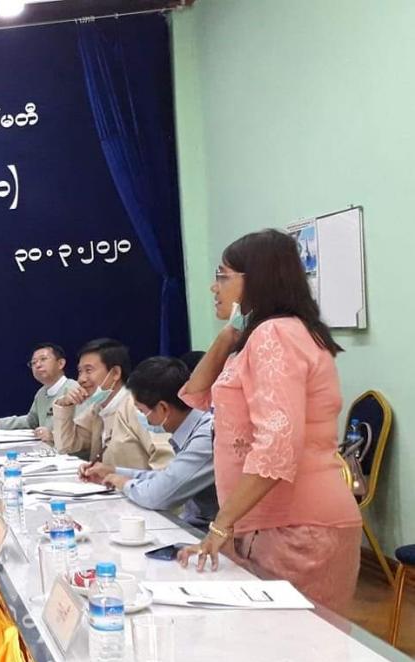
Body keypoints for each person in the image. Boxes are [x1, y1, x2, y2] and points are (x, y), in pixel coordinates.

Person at [176, 229, 361, 612]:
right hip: (269, 522)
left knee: (296, 644)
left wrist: (220, 524)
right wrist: (230, 332)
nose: (214, 287)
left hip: (296, 527)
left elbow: (277, 445)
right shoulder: (264, 335)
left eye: (223, 276)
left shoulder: (275, 335)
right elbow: (196, 394)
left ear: (256, 280)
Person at [79, 357, 218, 529]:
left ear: (163, 408)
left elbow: (158, 495)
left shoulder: (206, 437)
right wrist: (113, 471)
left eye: (142, 411)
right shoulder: (192, 429)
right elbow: (166, 477)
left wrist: (121, 482)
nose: (142, 418)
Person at [51, 338, 171, 469]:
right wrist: (65, 404)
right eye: (80, 371)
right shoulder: (97, 408)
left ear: (115, 373)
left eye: (89, 370)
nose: (81, 379)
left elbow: (166, 460)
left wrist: (135, 481)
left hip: (134, 482)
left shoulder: (137, 407)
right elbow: (66, 445)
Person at [0, 343, 80, 442]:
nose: (38, 365)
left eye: (43, 359)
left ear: (61, 363)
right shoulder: (41, 393)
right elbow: (31, 421)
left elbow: (83, 432)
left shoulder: (75, 390)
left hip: (68, 451)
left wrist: (53, 436)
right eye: (33, 362)